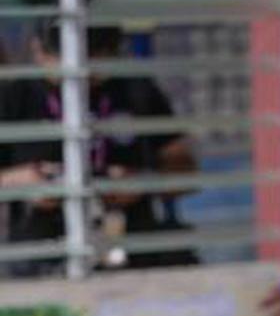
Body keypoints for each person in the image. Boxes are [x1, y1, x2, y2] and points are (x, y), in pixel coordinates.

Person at [0, 23, 198, 276]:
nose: (78, 72)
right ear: (37, 50)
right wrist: (22, 181)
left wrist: (143, 182)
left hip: (134, 253)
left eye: (92, 60)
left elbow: (186, 171)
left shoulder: (136, 90)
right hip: (40, 257)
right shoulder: (15, 97)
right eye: (58, 57)